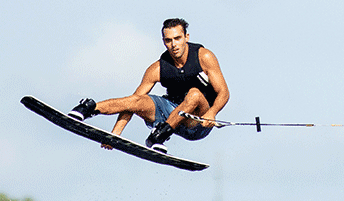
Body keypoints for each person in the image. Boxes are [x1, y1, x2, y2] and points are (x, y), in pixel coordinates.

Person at [68, 18, 230, 150]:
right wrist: (115, 134)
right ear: (163, 41)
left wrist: (212, 112)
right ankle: (87, 109)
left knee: (194, 94)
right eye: (168, 40)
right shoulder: (157, 68)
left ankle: (160, 135)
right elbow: (133, 103)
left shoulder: (204, 57)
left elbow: (224, 92)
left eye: (177, 38)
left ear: (186, 37)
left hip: (197, 121)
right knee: (138, 99)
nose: (174, 45)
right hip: (169, 111)